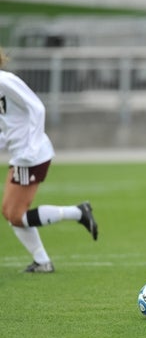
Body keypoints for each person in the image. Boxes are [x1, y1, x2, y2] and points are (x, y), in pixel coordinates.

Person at [0, 48, 98, 273]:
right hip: (21, 154)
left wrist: (31, 147)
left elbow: (37, 107)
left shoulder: (4, 80)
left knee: (15, 215)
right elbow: (12, 126)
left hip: (30, 156)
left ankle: (78, 213)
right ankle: (42, 261)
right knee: (10, 212)